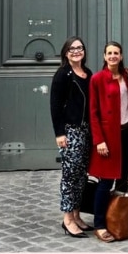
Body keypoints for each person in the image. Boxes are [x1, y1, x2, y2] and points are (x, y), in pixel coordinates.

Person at [88, 41, 128, 243]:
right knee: (105, 181)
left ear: (121, 56)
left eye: (116, 53)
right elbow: (93, 113)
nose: (112, 56)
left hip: (126, 134)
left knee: (123, 180)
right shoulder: (97, 79)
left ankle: (118, 222)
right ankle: (100, 224)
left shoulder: (126, 76)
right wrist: (99, 140)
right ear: (104, 56)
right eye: (109, 53)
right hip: (108, 137)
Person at [50, 36, 93, 238]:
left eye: (80, 48)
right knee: (69, 176)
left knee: (81, 174)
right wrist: (60, 133)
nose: (76, 51)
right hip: (70, 131)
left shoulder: (87, 73)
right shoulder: (62, 74)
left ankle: (76, 214)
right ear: (66, 53)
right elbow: (55, 106)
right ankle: (67, 219)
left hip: (86, 130)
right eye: (72, 48)